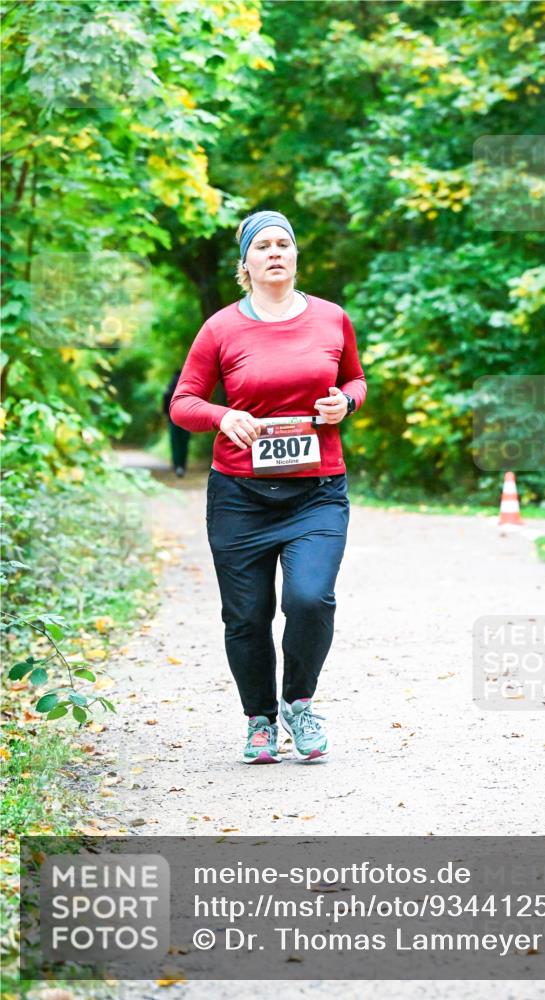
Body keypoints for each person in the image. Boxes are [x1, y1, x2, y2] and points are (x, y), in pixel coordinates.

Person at [169, 210, 366, 762]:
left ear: (296, 257)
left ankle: (299, 704)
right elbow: (182, 403)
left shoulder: (332, 319)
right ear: (246, 263)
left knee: (310, 599)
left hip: (317, 491)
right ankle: (260, 719)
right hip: (239, 496)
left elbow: (355, 378)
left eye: (284, 244)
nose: (275, 252)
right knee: (247, 615)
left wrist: (344, 402)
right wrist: (221, 417)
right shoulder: (221, 328)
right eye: (264, 246)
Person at [163, 369, 191, 477]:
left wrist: (167, 416)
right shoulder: (186, 389)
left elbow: (165, 406)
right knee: (184, 443)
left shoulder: (169, 390)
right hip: (186, 421)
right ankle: (182, 465)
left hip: (173, 420)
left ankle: (176, 465)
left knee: (175, 443)